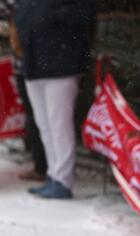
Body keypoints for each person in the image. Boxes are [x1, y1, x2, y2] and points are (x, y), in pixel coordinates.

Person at [15, 0, 96, 199]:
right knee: (44, 124)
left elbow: (84, 15)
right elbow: (21, 18)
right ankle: (53, 174)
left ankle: (63, 179)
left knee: (59, 124)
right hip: (34, 66)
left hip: (62, 65)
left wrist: (48, 13)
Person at [0, 0, 48, 183]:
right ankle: (44, 165)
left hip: (40, 63)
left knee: (43, 119)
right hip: (26, 63)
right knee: (38, 117)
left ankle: (46, 166)